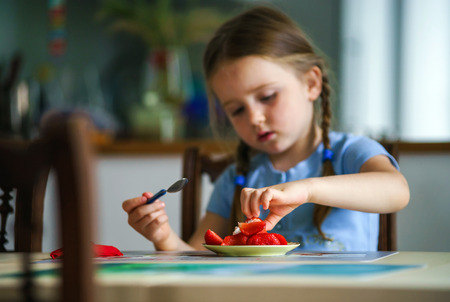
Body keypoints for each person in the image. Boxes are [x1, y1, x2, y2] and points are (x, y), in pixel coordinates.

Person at [122, 5, 410, 252]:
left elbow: (396, 191)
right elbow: (197, 259)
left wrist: (307, 190)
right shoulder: (237, 177)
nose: (255, 118)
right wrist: (163, 237)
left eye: (268, 97)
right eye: (236, 110)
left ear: (311, 84)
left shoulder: (350, 153)